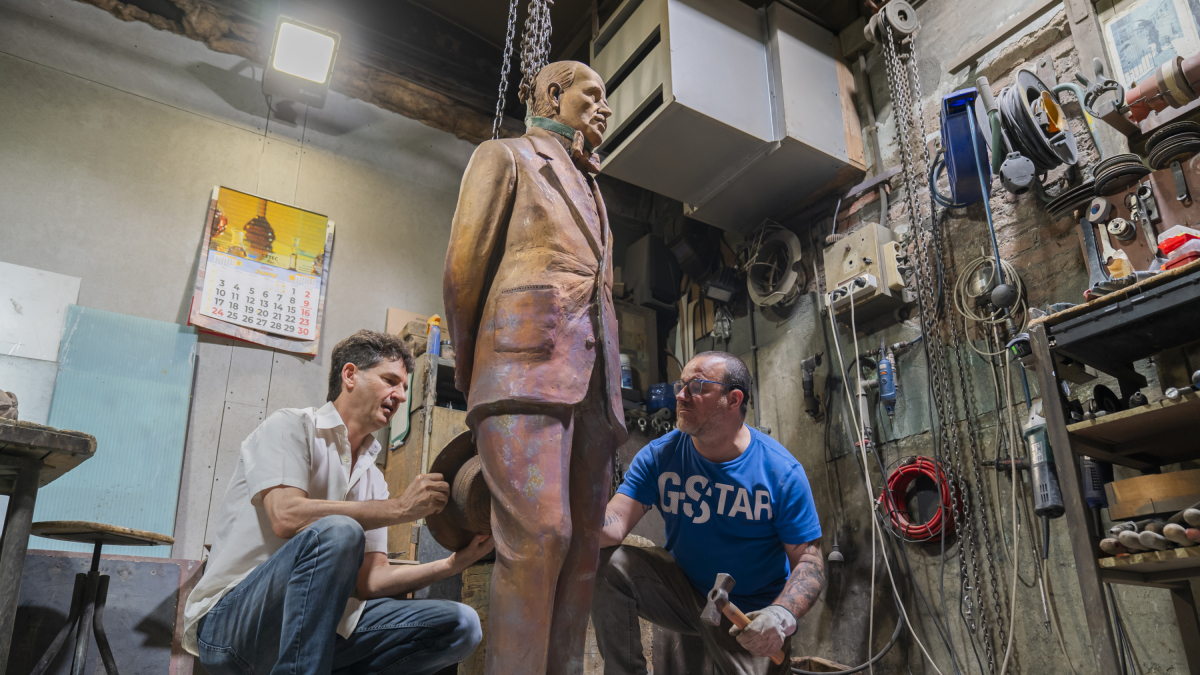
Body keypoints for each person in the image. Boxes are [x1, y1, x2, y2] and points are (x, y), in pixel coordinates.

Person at [443, 61, 627, 674]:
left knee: (582, 549)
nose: (605, 107)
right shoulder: (506, 157)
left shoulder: (596, 188)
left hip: (594, 389)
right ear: (553, 93)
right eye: (592, 94)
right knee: (540, 536)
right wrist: (474, 374)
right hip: (521, 371)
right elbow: (463, 273)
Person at [182, 330, 493, 675]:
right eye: (391, 381)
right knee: (340, 530)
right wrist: (401, 509)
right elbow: (286, 516)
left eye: (405, 387)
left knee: (461, 625)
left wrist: (452, 564)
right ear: (349, 375)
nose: (401, 396)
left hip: (320, 634)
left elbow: (369, 582)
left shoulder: (373, 476)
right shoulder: (291, 427)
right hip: (233, 631)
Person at [592, 351, 824, 675]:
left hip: (748, 613)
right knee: (608, 563)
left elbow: (810, 562)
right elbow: (614, 524)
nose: (681, 396)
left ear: (733, 399)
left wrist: (781, 616)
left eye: (697, 386)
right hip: (683, 594)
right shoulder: (660, 456)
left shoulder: (780, 472)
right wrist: (570, 513)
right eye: (681, 385)